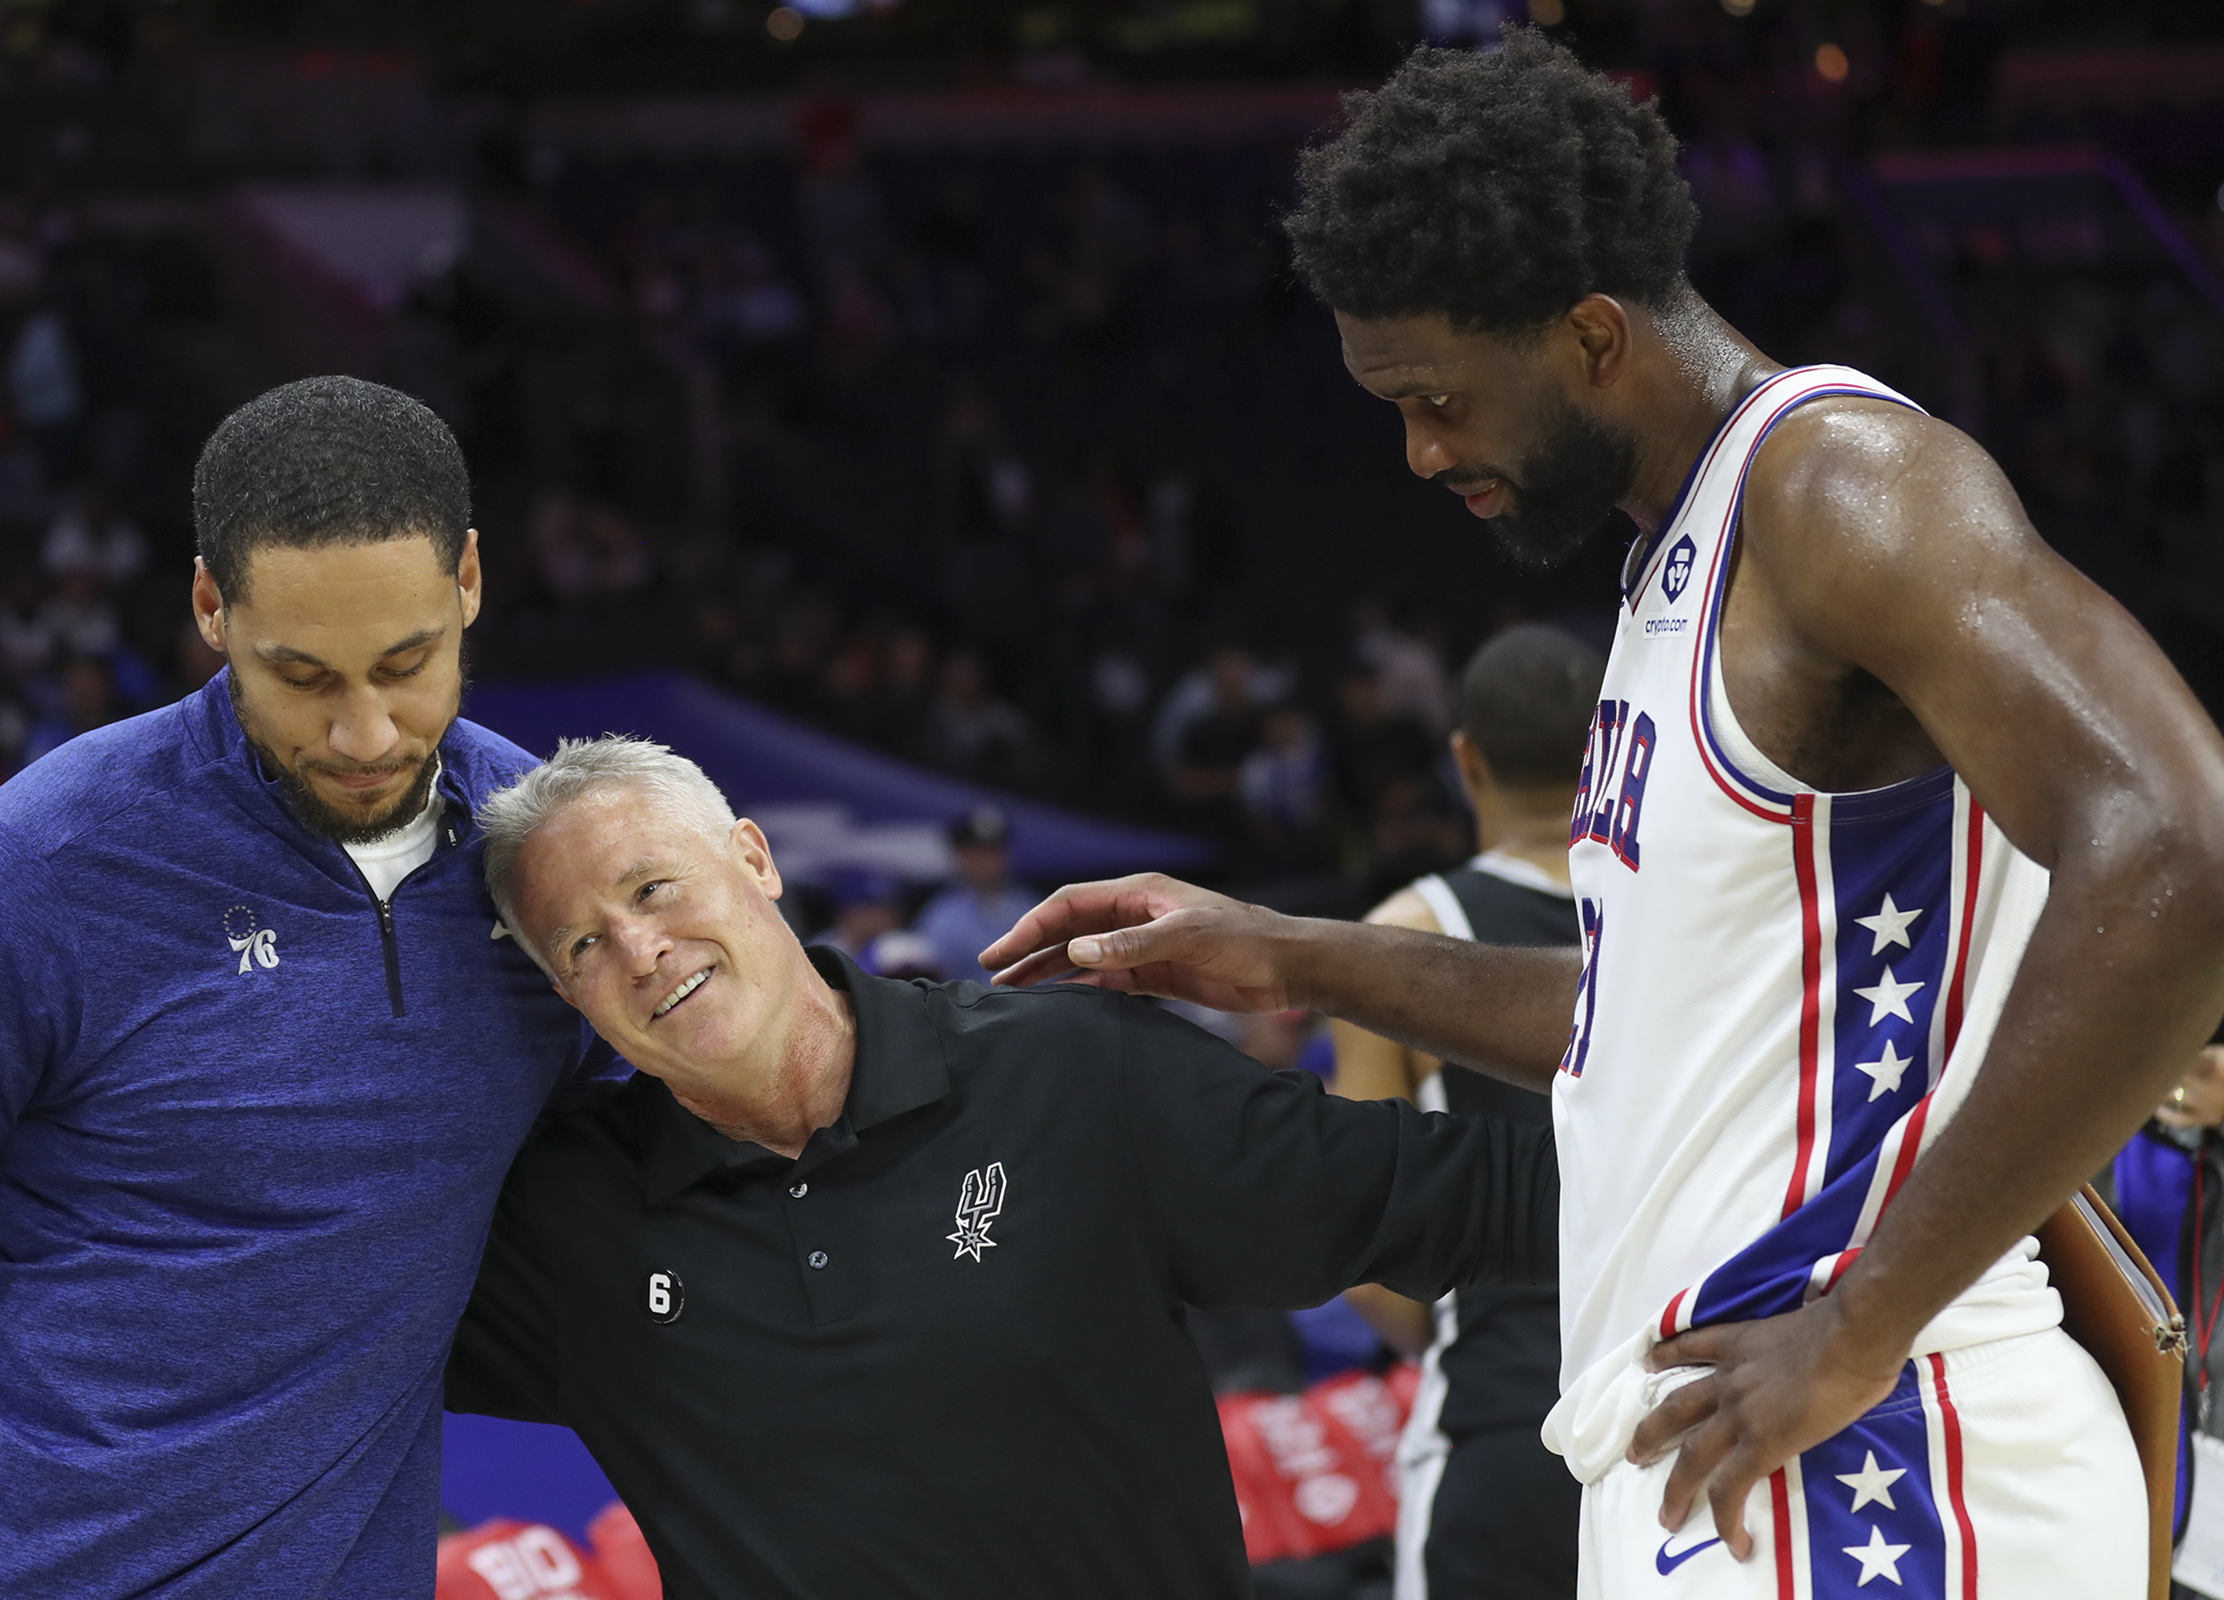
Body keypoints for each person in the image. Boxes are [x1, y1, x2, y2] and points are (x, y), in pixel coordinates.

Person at [981, 32, 2224, 1598]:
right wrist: (1295, 958)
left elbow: (2188, 847)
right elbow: (1661, 1019)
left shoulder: (1839, 485)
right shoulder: (1674, 572)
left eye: (1438, 399)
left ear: (1587, 336)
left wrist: (1868, 1318)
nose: (1422, 452)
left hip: (1881, 1464)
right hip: (1722, 1450)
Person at [445, 735, 1561, 1600]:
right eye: (582, 944)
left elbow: (1502, 1195)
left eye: (652, 889)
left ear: (754, 856)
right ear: (563, 995)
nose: (640, 951)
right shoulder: (567, 1225)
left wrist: (1742, 1297)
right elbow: (290, 1303)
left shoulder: (1076, 1076)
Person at [0, 376, 613, 1598]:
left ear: (468, 580)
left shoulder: (558, 860)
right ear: (210, 605)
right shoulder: (26, 872)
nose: (365, 734)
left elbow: (750, 1099)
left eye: (407, 665)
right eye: (301, 676)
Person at [1331, 622, 1600, 1600]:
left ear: (1465, 759)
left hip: (1506, 1415)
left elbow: (1381, 1277)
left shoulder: (1404, 938)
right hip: (1691, 1422)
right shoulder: (1702, 915)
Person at [912, 804, 1037, 985]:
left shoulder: (1029, 903)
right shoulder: (940, 917)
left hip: (1037, 1006)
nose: (987, 862)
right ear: (960, 856)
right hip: (972, 1010)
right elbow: (932, 984)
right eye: (977, 853)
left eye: (993, 851)